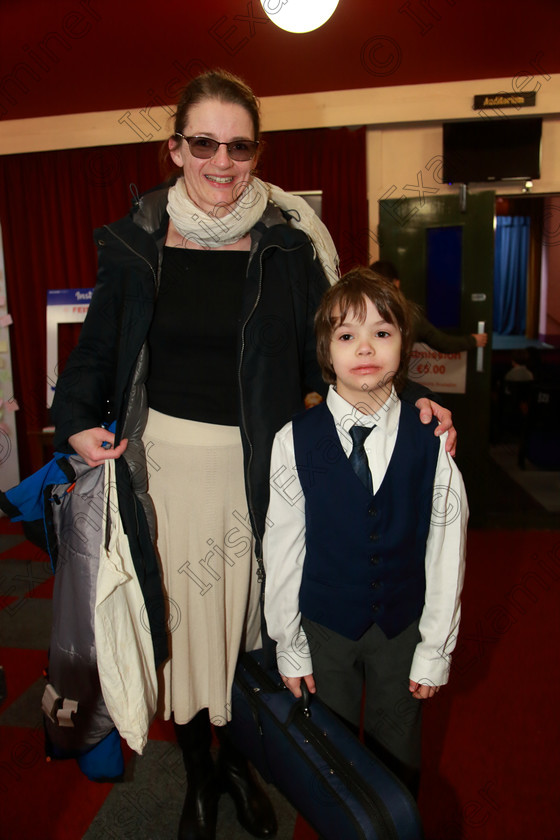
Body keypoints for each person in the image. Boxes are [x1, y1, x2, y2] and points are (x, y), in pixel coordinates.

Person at [51, 70, 456, 840]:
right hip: (163, 478)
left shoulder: (289, 246)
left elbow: (333, 364)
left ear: (257, 151)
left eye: (239, 145)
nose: (221, 161)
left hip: (267, 479)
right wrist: (73, 420)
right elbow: (91, 364)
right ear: (176, 147)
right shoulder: (134, 245)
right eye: (203, 142)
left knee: (255, 639)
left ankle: (244, 762)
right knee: (183, 646)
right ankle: (204, 779)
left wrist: (410, 408)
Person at [264, 267, 468, 797]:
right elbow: (282, 547)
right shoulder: (294, 439)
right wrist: (289, 643)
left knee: (396, 759)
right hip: (325, 627)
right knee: (328, 760)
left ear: (405, 343)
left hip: (402, 628)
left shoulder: (431, 437)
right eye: (347, 335)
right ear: (326, 351)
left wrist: (434, 648)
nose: (366, 348)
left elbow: (447, 549)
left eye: (383, 332)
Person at [370, 259, 488, 352]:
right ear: (396, 283)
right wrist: (473, 341)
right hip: (394, 382)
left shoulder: (359, 311)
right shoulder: (409, 313)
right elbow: (443, 343)